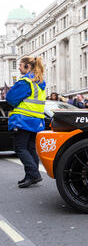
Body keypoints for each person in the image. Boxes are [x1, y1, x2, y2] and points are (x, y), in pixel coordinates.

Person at [6, 56, 46, 188]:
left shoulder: (25, 81)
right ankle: (30, 176)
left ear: (27, 66)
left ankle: (34, 174)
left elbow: (10, 98)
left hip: (24, 119)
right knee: (29, 148)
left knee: (20, 148)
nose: (19, 67)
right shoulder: (39, 82)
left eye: (20, 65)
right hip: (36, 120)